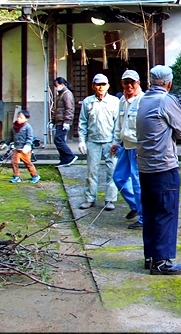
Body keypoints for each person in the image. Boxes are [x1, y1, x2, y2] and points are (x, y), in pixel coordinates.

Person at [136, 65, 181, 275]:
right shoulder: (166, 100)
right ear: (169, 83)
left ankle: (151, 256)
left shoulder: (143, 100)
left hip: (145, 166)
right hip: (163, 166)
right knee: (166, 212)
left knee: (150, 212)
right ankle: (161, 262)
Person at [77, 73, 120, 211]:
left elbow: (118, 123)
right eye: (98, 84)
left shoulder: (115, 101)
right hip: (93, 141)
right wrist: (81, 140)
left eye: (103, 84)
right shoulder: (87, 102)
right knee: (91, 172)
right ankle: (90, 198)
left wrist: (116, 141)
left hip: (110, 141)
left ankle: (110, 199)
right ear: (93, 86)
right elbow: (83, 122)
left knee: (112, 171)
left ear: (108, 86)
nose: (101, 87)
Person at [110, 70, 145, 229]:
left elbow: (146, 128)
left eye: (132, 82)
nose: (129, 85)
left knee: (138, 183)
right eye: (126, 82)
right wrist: (115, 142)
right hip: (125, 146)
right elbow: (119, 124)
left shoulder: (143, 100)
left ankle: (144, 217)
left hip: (137, 148)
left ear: (138, 83)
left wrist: (142, 146)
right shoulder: (122, 100)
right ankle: (135, 206)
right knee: (119, 177)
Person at [3, 109, 40, 184]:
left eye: (21, 117)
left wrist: (27, 146)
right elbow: (10, 137)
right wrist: (5, 144)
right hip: (16, 149)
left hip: (25, 150)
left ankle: (35, 176)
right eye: (18, 117)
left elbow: (30, 138)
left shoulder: (28, 127)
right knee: (14, 163)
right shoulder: (13, 127)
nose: (18, 119)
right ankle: (16, 176)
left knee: (28, 163)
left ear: (26, 119)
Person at [52, 77, 78, 168]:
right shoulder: (61, 94)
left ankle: (70, 156)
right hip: (59, 120)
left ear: (62, 84)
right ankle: (64, 160)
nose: (56, 87)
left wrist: (67, 121)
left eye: (56, 85)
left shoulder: (67, 94)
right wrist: (53, 120)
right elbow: (56, 109)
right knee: (59, 140)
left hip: (63, 121)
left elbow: (69, 109)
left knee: (58, 140)